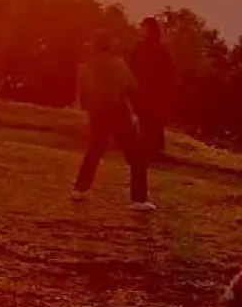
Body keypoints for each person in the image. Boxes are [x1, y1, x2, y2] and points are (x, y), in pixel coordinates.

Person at [71, 33, 152, 211]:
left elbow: (82, 95)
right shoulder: (118, 63)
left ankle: (80, 188)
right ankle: (138, 199)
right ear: (109, 46)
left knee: (95, 149)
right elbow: (133, 85)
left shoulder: (85, 67)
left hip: (97, 111)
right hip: (118, 110)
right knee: (136, 155)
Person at [129, 17, 176, 162]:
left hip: (154, 93)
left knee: (152, 121)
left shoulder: (159, 51)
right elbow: (131, 68)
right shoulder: (140, 49)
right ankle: (146, 149)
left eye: (144, 28)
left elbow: (167, 75)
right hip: (144, 92)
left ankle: (152, 150)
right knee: (145, 120)